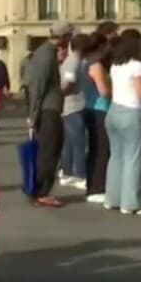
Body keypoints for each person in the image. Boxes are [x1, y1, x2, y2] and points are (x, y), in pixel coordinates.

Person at [25, 23, 75, 208]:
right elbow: (37, 87)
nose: (70, 40)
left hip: (48, 108)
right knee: (49, 150)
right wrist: (33, 115)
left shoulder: (46, 53)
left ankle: (40, 190)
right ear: (63, 36)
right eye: (69, 36)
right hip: (48, 110)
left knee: (49, 149)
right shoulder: (45, 55)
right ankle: (41, 192)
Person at [103, 30, 141, 215]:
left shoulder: (116, 66)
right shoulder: (138, 66)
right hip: (132, 111)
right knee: (133, 158)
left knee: (116, 156)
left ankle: (112, 198)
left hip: (114, 110)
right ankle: (130, 202)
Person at [82, 32, 112, 203]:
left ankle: (92, 185)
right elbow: (104, 91)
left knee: (94, 148)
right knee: (102, 149)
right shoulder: (96, 65)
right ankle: (97, 187)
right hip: (100, 108)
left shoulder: (85, 62)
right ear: (101, 46)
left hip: (89, 106)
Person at [59, 33, 88, 190]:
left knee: (70, 143)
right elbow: (68, 82)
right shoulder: (74, 62)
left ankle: (67, 172)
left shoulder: (73, 61)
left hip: (71, 106)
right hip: (74, 106)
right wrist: (61, 94)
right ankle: (79, 175)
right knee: (78, 142)